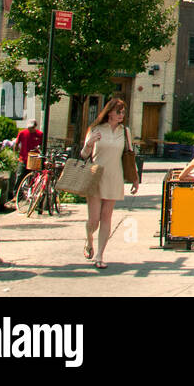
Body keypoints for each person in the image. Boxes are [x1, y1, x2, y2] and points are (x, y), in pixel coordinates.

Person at [79, 98, 138, 269]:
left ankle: (99, 255)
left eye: (123, 112)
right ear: (109, 112)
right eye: (118, 111)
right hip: (96, 176)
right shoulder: (96, 129)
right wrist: (90, 143)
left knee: (106, 217)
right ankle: (89, 238)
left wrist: (134, 178)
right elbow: (83, 155)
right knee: (94, 219)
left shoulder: (124, 131)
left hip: (115, 176)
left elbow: (129, 155)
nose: (121, 115)